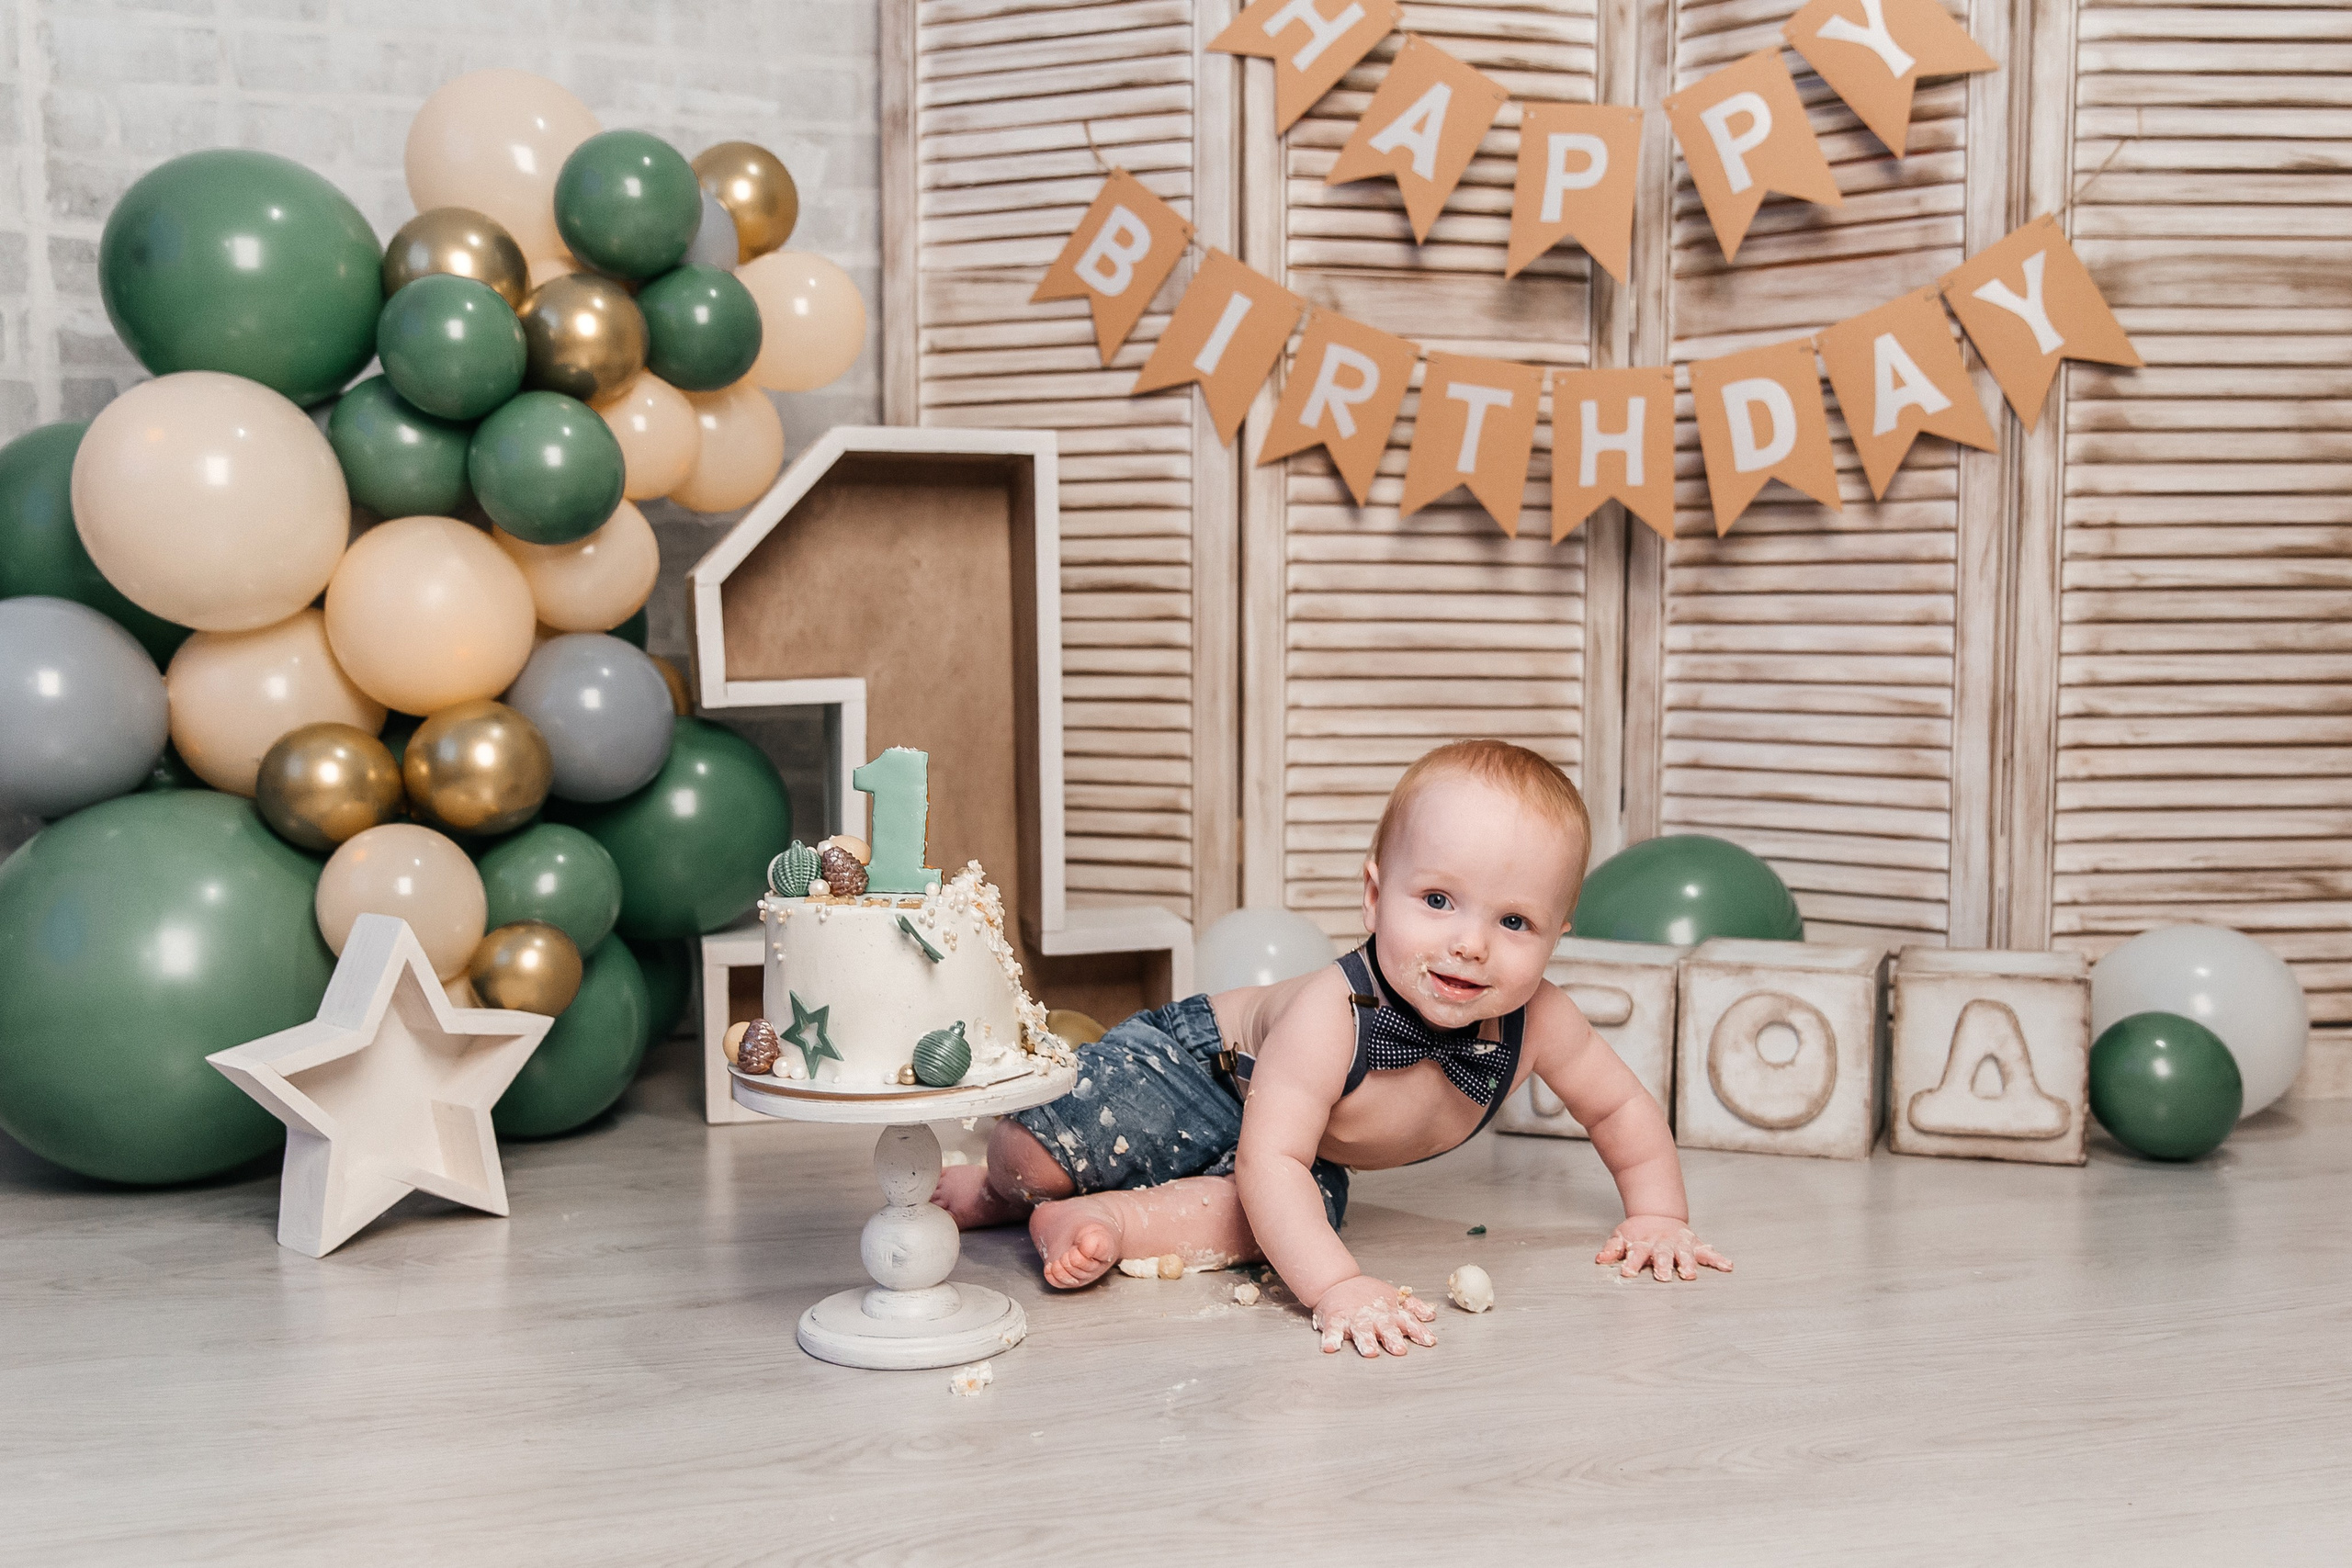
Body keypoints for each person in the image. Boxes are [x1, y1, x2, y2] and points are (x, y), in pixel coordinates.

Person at [933, 739, 1730, 1358]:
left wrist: (1659, 1213)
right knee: (1036, 1154)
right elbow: (1267, 1153)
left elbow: (1618, 1105)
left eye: (1513, 921)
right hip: (1196, 1068)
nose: (1470, 944)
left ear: (1560, 933)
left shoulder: (1542, 1020)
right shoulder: (1333, 1012)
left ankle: (1100, 1220)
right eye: (1439, 899)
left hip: (1295, 1147)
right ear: (1376, 894)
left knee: (1288, 1218)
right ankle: (999, 1190)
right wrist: (1338, 1288)